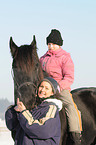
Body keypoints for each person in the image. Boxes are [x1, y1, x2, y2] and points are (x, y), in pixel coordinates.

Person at [40, 29, 82, 145]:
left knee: (70, 106)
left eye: (53, 44)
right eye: (49, 44)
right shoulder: (43, 58)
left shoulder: (65, 57)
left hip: (60, 88)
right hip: (44, 88)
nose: (51, 46)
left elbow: (69, 77)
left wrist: (58, 87)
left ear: (59, 44)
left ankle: (75, 134)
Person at [5, 77, 62, 145]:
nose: (42, 90)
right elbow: (12, 125)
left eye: (46, 88)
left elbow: (42, 129)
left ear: (52, 93)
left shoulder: (51, 108)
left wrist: (23, 112)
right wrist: (14, 110)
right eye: (41, 86)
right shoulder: (35, 107)